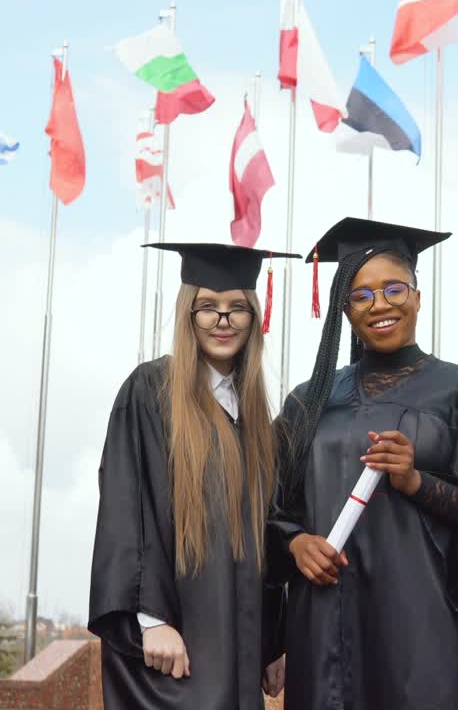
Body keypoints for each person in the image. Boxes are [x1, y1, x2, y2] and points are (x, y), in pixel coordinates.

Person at [267, 217, 458, 710]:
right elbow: (268, 505)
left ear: (418, 297)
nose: (379, 304)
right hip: (326, 627)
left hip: (425, 631)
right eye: (361, 295)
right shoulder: (308, 401)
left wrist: (417, 481)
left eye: (394, 289)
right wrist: (295, 543)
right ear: (345, 309)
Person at [88, 242, 299, 710]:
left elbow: (261, 538)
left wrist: (271, 641)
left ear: (254, 319)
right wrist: (150, 618)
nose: (223, 320)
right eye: (207, 307)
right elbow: (127, 502)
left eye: (237, 307)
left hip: (237, 646)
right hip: (174, 642)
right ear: (188, 314)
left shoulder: (255, 421)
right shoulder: (151, 390)